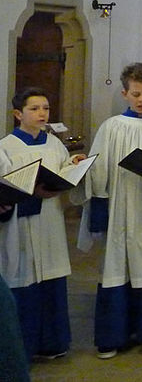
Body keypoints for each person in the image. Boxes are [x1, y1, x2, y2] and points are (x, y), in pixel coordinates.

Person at [74, 63, 142, 359]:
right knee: (118, 266)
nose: (141, 99)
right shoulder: (112, 127)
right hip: (122, 209)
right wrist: (99, 206)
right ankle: (114, 335)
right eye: (135, 94)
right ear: (125, 93)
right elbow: (99, 170)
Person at [0, 88, 86, 360]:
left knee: (51, 277)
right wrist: (30, 193)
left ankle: (53, 342)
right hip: (19, 225)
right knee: (23, 279)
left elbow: (61, 173)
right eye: (34, 108)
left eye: (45, 109)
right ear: (18, 114)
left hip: (50, 221)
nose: (41, 114)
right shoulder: (6, 148)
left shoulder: (54, 144)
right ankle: (21, 348)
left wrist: (73, 167)